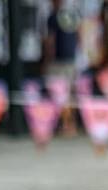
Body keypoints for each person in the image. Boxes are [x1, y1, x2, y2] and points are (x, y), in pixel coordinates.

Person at [42, 0, 79, 136]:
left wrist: (46, 61)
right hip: (71, 60)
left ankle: (63, 124)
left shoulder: (53, 17)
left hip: (57, 62)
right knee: (69, 95)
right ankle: (71, 124)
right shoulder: (71, 14)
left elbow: (50, 41)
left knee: (58, 96)